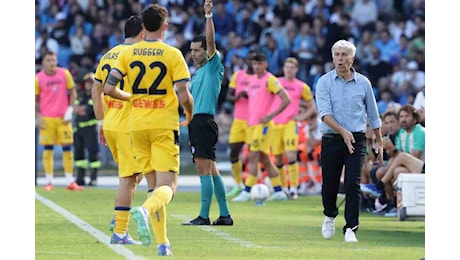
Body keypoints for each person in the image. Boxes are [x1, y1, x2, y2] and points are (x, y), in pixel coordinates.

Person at [103, 4, 194, 256]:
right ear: (165, 27)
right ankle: (143, 210)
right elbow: (183, 93)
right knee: (168, 188)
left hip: (136, 125)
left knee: (154, 186)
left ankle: (163, 244)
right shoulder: (173, 54)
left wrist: (129, 97)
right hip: (163, 125)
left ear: (143, 27)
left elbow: (108, 89)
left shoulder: (127, 53)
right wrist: (189, 112)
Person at [315, 40, 383, 243]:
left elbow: (373, 113)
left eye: (345, 55)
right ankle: (329, 215)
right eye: (337, 54)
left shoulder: (363, 83)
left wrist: (378, 140)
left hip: (357, 138)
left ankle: (351, 227)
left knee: (353, 183)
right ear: (332, 57)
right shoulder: (324, 82)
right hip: (332, 138)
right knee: (330, 184)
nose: (340, 58)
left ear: (352, 58)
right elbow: (325, 114)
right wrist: (343, 133)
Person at [92, 14, 145, 245]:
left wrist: (101, 123)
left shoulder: (108, 55)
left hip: (112, 123)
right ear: (143, 31)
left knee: (138, 171)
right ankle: (120, 231)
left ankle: (119, 217)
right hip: (128, 126)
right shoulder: (135, 55)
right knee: (129, 178)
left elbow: (96, 91)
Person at [182, 0, 233, 226]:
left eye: (197, 50)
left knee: (203, 168)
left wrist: (208, 16)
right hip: (198, 121)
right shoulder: (199, 72)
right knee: (211, 169)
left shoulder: (213, 66)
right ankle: (224, 215)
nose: (193, 54)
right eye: (191, 50)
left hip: (204, 121)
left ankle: (203, 215)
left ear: (206, 51)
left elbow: (211, 40)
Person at [232, 52, 291, 202]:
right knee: (265, 159)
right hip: (252, 125)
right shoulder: (251, 80)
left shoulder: (270, 80)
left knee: (253, 155)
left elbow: (286, 99)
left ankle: (247, 190)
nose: (257, 66)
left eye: (260, 63)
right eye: (255, 63)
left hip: (263, 126)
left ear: (266, 64)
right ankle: (279, 191)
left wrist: (271, 116)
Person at [35, 50, 84, 192]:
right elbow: (36, 99)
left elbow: (73, 91)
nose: (52, 63)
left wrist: (71, 109)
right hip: (47, 118)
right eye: (48, 60)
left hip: (63, 118)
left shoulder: (64, 74)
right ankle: (49, 181)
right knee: (48, 149)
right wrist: (37, 116)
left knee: (67, 148)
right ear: (43, 62)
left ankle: (70, 180)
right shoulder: (38, 78)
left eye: (53, 60)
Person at [271, 57, 317, 200]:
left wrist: (300, 117)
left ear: (296, 69)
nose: (289, 69)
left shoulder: (302, 87)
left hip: (290, 124)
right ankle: (283, 187)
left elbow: (312, 107)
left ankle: (293, 188)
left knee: (291, 155)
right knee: (278, 158)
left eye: (292, 67)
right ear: (283, 68)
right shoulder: (275, 82)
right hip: (274, 124)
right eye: (287, 67)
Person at [225, 52, 255, 198]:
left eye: (254, 60)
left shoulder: (262, 78)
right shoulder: (238, 75)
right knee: (233, 152)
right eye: (249, 59)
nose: (251, 62)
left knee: (254, 155)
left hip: (253, 121)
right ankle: (238, 184)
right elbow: (228, 96)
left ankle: (252, 185)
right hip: (238, 120)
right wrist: (238, 96)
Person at [73, 72, 101, 186]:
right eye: (87, 83)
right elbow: (74, 109)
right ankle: (80, 178)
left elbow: (89, 111)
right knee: (79, 155)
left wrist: (82, 109)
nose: (89, 85)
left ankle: (93, 178)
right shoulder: (80, 96)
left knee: (93, 154)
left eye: (91, 83)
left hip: (91, 129)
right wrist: (81, 109)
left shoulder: (97, 96)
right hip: (79, 130)